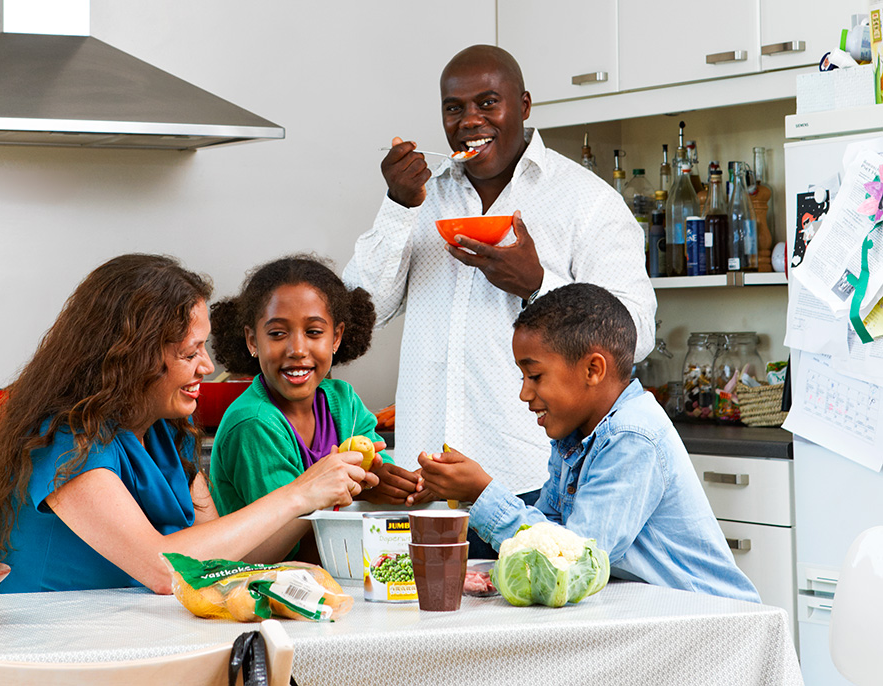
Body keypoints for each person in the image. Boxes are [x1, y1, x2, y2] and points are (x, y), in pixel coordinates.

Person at [342, 45, 657, 543]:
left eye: (488, 103)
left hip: (530, 487)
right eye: (454, 108)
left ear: (525, 105)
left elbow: (634, 335)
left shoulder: (588, 202)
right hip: (423, 488)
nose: (470, 120)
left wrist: (539, 286)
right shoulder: (420, 196)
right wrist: (398, 206)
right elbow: (357, 318)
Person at [0, 254, 375, 594]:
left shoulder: (167, 433)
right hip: (55, 656)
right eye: (190, 352)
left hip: (137, 642)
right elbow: (164, 570)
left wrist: (317, 501)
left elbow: (221, 560)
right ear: (131, 356)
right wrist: (299, 494)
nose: (208, 366)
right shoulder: (65, 441)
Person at [418, 283, 759, 602]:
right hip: (651, 612)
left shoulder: (632, 436)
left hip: (708, 620)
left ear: (593, 369)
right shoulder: (575, 435)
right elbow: (552, 531)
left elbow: (573, 561)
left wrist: (481, 494)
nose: (524, 393)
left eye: (535, 376)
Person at [209, 255, 422, 560]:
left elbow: (376, 472)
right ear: (252, 340)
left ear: (336, 337)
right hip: (269, 584)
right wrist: (356, 490)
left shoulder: (343, 401)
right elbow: (287, 545)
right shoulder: (254, 423)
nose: (297, 349)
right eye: (278, 333)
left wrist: (400, 484)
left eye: (314, 332)